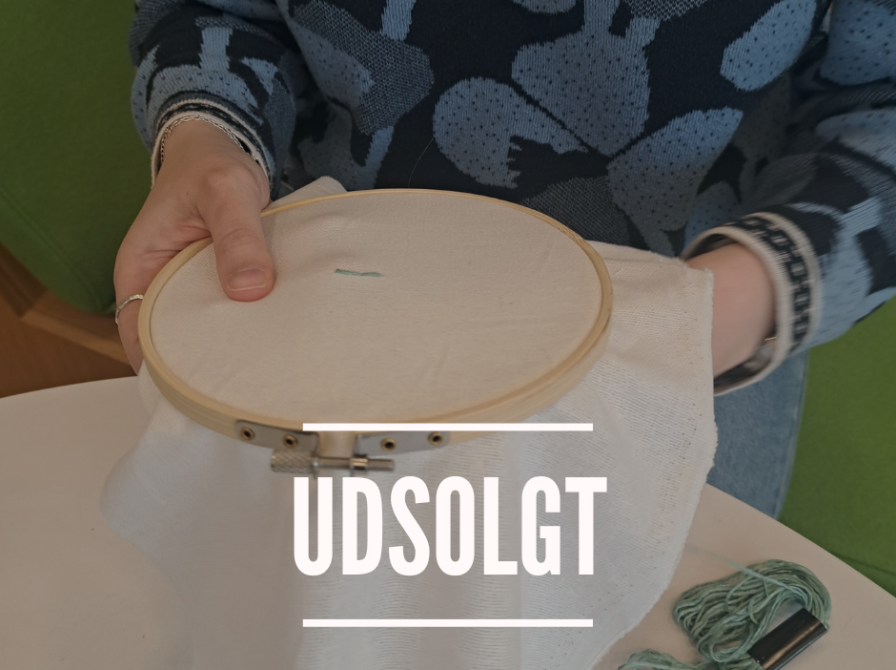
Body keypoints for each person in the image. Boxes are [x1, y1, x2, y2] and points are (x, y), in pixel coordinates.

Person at [115, 0, 896, 517]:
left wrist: (744, 296)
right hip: (324, 311)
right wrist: (206, 134)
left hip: (684, 334)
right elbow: (216, 10)